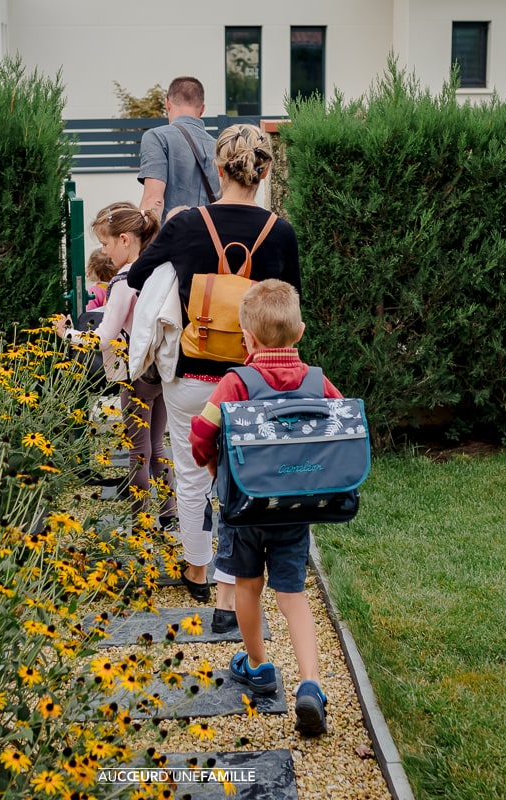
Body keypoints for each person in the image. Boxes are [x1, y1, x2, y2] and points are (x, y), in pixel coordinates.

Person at [127, 123, 299, 631]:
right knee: (247, 475)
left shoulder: (186, 225)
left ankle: (197, 569)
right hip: (255, 378)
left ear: (219, 169)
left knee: (190, 471)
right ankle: (239, 575)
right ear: (264, 171)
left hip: (192, 375)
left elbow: (137, 277)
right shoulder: (280, 232)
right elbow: (290, 307)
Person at [188, 279, 338, 737]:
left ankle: (259, 667)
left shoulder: (237, 382)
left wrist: (213, 466)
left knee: (248, 589)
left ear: (247, 339)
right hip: (294, 508)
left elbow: (200, 434)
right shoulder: (317, 380)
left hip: (246, 509)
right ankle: (311, 684)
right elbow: (340, 425)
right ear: (301, 332)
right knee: (293, 596)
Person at [56, 202, 176, 525]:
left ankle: (140, 522)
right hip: (161, 372)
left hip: (135, 374)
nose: (106, 253)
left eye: (107, 244)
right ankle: (169, 513)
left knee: (138, 451)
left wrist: (67, 334)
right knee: (157, 447)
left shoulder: (124, 280)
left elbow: (104, 337)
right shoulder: (158, 271)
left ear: (125, 240)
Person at [138, 77, 220, 219]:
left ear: (167, 103)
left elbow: (154, 201)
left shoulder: (157, 138)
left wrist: (144, 238)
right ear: (202, 109)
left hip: (172, 236)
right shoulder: (219, 147)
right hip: (210, 237)